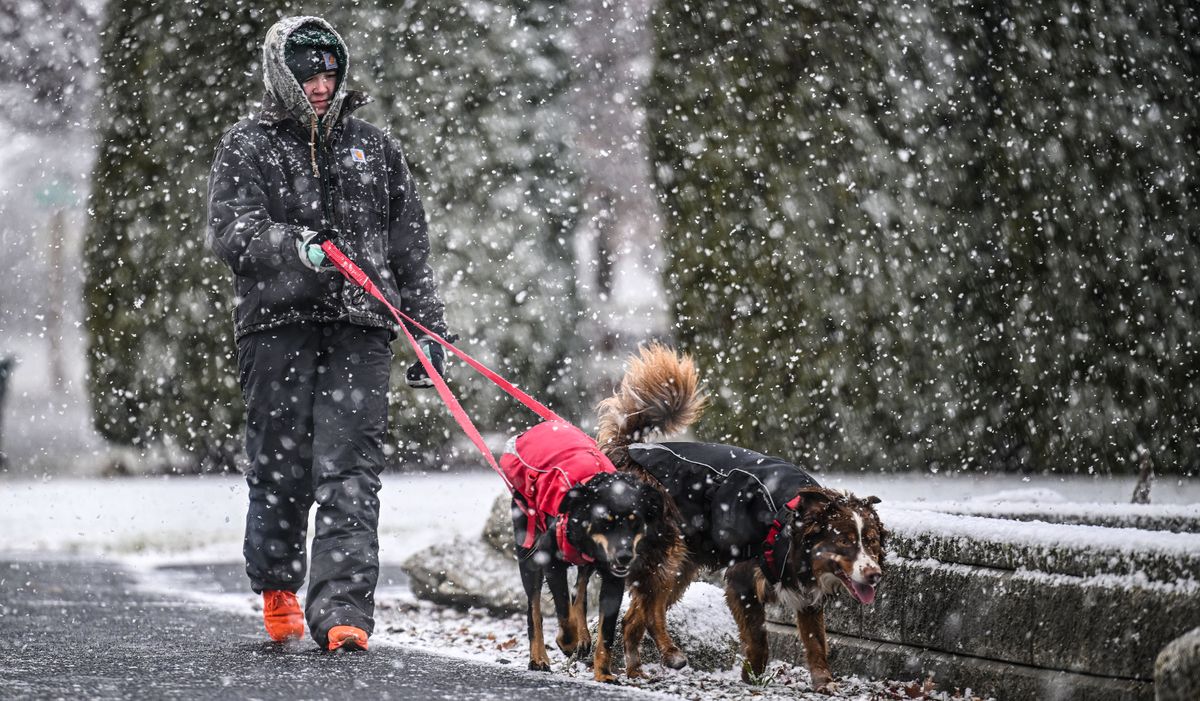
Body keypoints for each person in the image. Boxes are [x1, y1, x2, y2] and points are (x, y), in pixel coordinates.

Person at [206, 15, 449, 652]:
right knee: (280, 467)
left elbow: (410, 253)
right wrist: (296, 248)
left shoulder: (375, 148)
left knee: (352, 473)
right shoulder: (248, 145)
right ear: (280, 74)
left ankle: (343, 611)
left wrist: (429, 333)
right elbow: (232, 232)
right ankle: (279, 588)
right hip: (276, 330)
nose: (321, 83)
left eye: (330, 70)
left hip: (361, 330)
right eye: (307, 71)